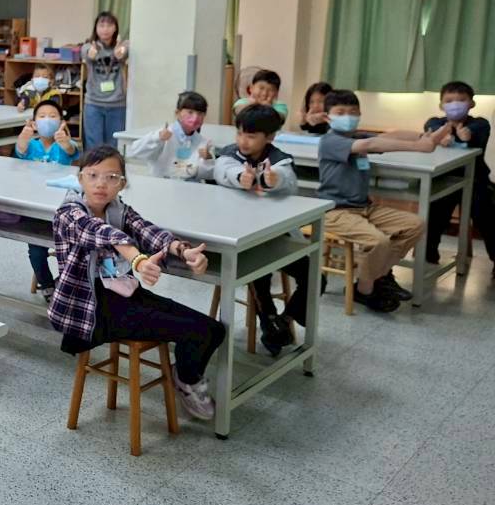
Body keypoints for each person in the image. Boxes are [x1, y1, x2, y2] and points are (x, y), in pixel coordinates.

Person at [49, 146, 222, 419]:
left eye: (111, 177)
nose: (101, 184)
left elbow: (148, 231)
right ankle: (187, 381)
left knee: (213, 329)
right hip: (92, 310)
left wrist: (182, 250)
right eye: (93, 175)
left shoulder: (119, 210)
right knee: (196, 330)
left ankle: (184, 375)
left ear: (122, 183)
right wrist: (138, 260)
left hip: (124, 295)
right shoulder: (69, 213)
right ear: (80, 178)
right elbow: (102, 233)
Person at [319, 89, 448, 312]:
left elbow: (390, 136)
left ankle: (373, 278)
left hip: (365, 207)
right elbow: (370, 145)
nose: (348, 116)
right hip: (336, 210)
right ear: (327, 117)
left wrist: (423, 136)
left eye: (353, 112)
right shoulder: (330, 140)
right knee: (378, 242)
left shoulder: (357, 136)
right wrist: (419, 147)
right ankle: (367, 288)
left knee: (415, 224)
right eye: (341, 112)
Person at [212, 105, 311, 356]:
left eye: (251, 136)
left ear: (270, 137)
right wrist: (240, 178)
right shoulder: (229, 154)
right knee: (258, 274)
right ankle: (268, 319)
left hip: (277, 234)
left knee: (313, 275)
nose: (243, 141)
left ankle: (285, 319)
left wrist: (272, 180)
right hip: (240, 236)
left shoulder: (280, 159)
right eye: (240, 134)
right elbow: (223, 171)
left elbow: (287, 180)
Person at [424, 80, 494, 271]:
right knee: (434, 214)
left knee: (486, 216)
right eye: (449, 100)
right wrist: (440, 136)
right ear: (441, 105)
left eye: (461, 100)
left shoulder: (480, 123)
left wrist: (466, 136)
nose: (455, 104)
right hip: (445, 179)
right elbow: (430, 128)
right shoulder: (435, 122)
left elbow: (476, 132)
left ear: (471, 103)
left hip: (476, 180)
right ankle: (428, 256)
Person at [15, 100, 80, 300]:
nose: (47, 120)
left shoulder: (64, 144)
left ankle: (66, 284)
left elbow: (72, 151)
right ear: (34, 123)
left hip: (62, 209)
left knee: (73, 250)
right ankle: (47, 284)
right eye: (42, 116)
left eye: (53, 116)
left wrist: (65, 142)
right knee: (35, 250)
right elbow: (20, 151)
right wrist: (23, 138)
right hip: (35, 206)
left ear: (61, 121)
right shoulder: (30, 145)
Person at [126, 91, 217, 181]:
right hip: (161, 184)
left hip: (189, 186)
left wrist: (208, 159)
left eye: (200, 114)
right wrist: (157, 138)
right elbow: (135, 151)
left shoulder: (204, 143)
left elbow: (208, 175)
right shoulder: (163, 134)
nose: (195, 118)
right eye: (190, 112)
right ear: (177, 113)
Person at [82, 11, 129, 150]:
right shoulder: (88, 46)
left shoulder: (123, 44)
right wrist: (91, 53)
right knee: (93, 145)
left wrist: (121, 52)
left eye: (109, 25)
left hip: (117, 104)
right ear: (96, 28)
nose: (105, 29)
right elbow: (87, 53)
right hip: (94, 103)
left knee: (114, 145)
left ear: (115, 28)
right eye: (101, 25)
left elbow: (125, 51)